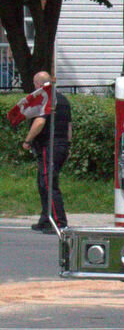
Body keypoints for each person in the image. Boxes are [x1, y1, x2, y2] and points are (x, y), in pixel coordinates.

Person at [21, 70, 70, 232]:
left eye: (35, 85)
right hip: (61, 145)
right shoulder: (62, 99)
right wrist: (68, 145)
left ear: (40, 85)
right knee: (43, 183)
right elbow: (69, 127)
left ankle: (58, 221)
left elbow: (40, 123)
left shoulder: (45, 99)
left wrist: (27, 140)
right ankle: (45, 218)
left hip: (49, 145)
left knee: (48, 184)